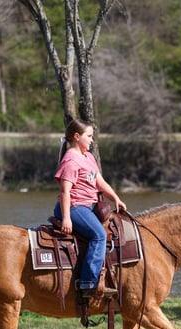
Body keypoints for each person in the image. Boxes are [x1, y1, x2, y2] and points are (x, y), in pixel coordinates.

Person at [53, 119, 127, 300]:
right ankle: (88, 283)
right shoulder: (70, 160)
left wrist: (115, 198)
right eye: (89, 136)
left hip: (86, 207)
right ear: (77, 137)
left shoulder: (88, 157)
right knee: (99, 235)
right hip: (73, 207)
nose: (92, 140)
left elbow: (100, 182)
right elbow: (65, 192)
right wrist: (66, 218)